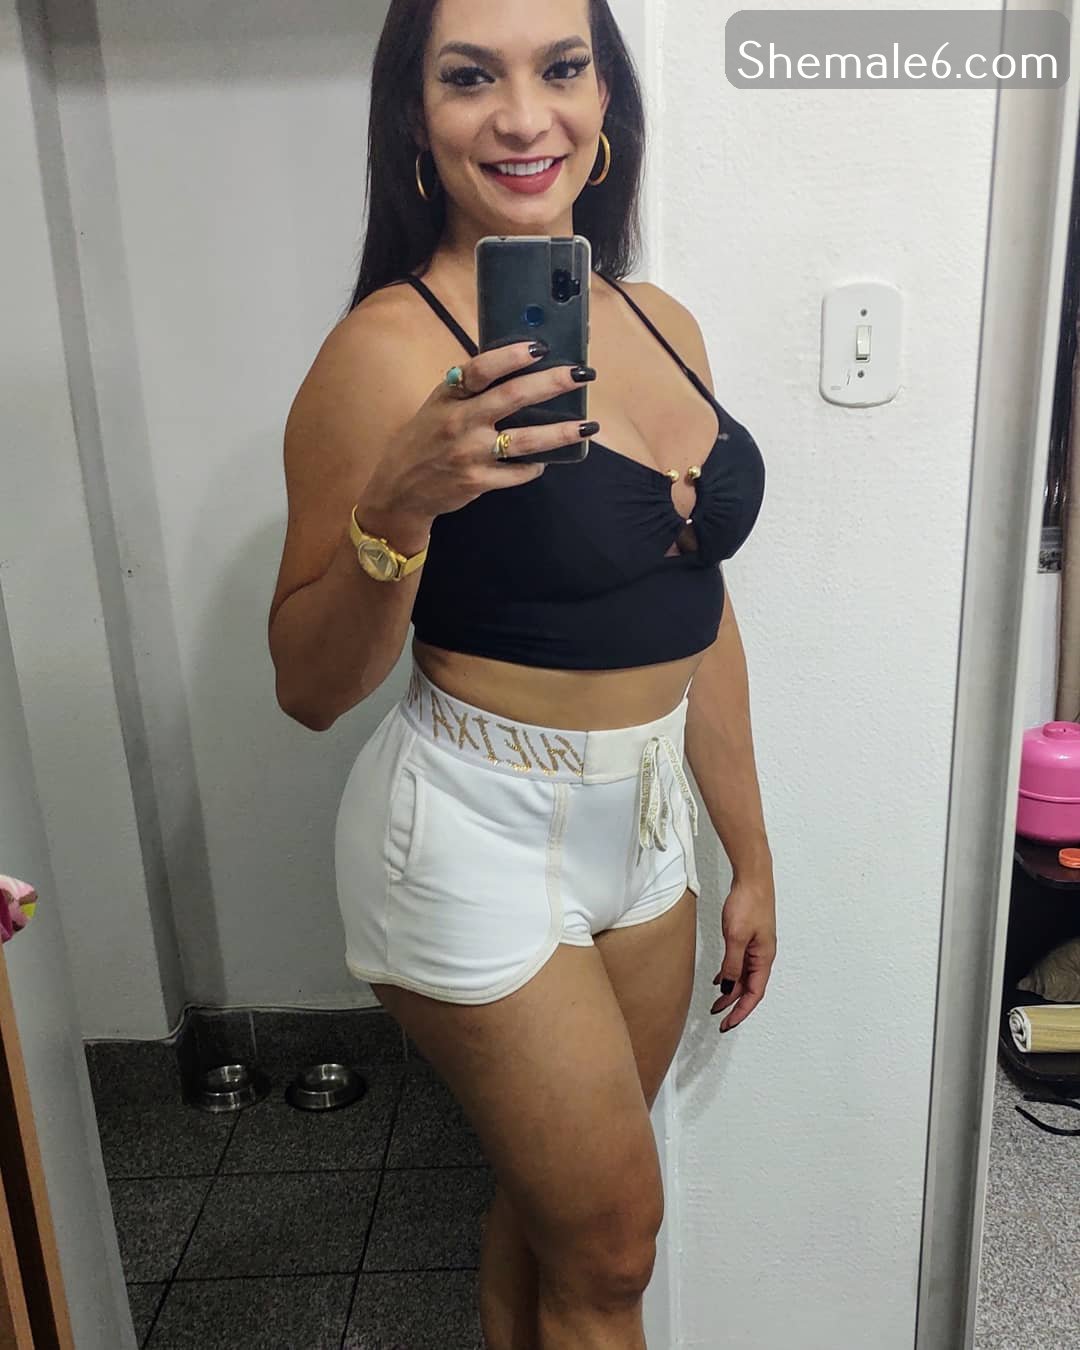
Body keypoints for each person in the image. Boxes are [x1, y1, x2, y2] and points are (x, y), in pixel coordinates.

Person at [268, 1, 777, 1346]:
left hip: (648, 831)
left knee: (560, 1228)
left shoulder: (662, 323)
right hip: (474, 827)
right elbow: (308, 686)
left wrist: (750, 853)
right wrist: (401, 506)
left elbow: (699, 607)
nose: (522, 115)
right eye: (469, 77)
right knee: (615, 1251)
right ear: (414, 119)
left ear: (607, 103)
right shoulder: (384, 353)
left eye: (561, 68)